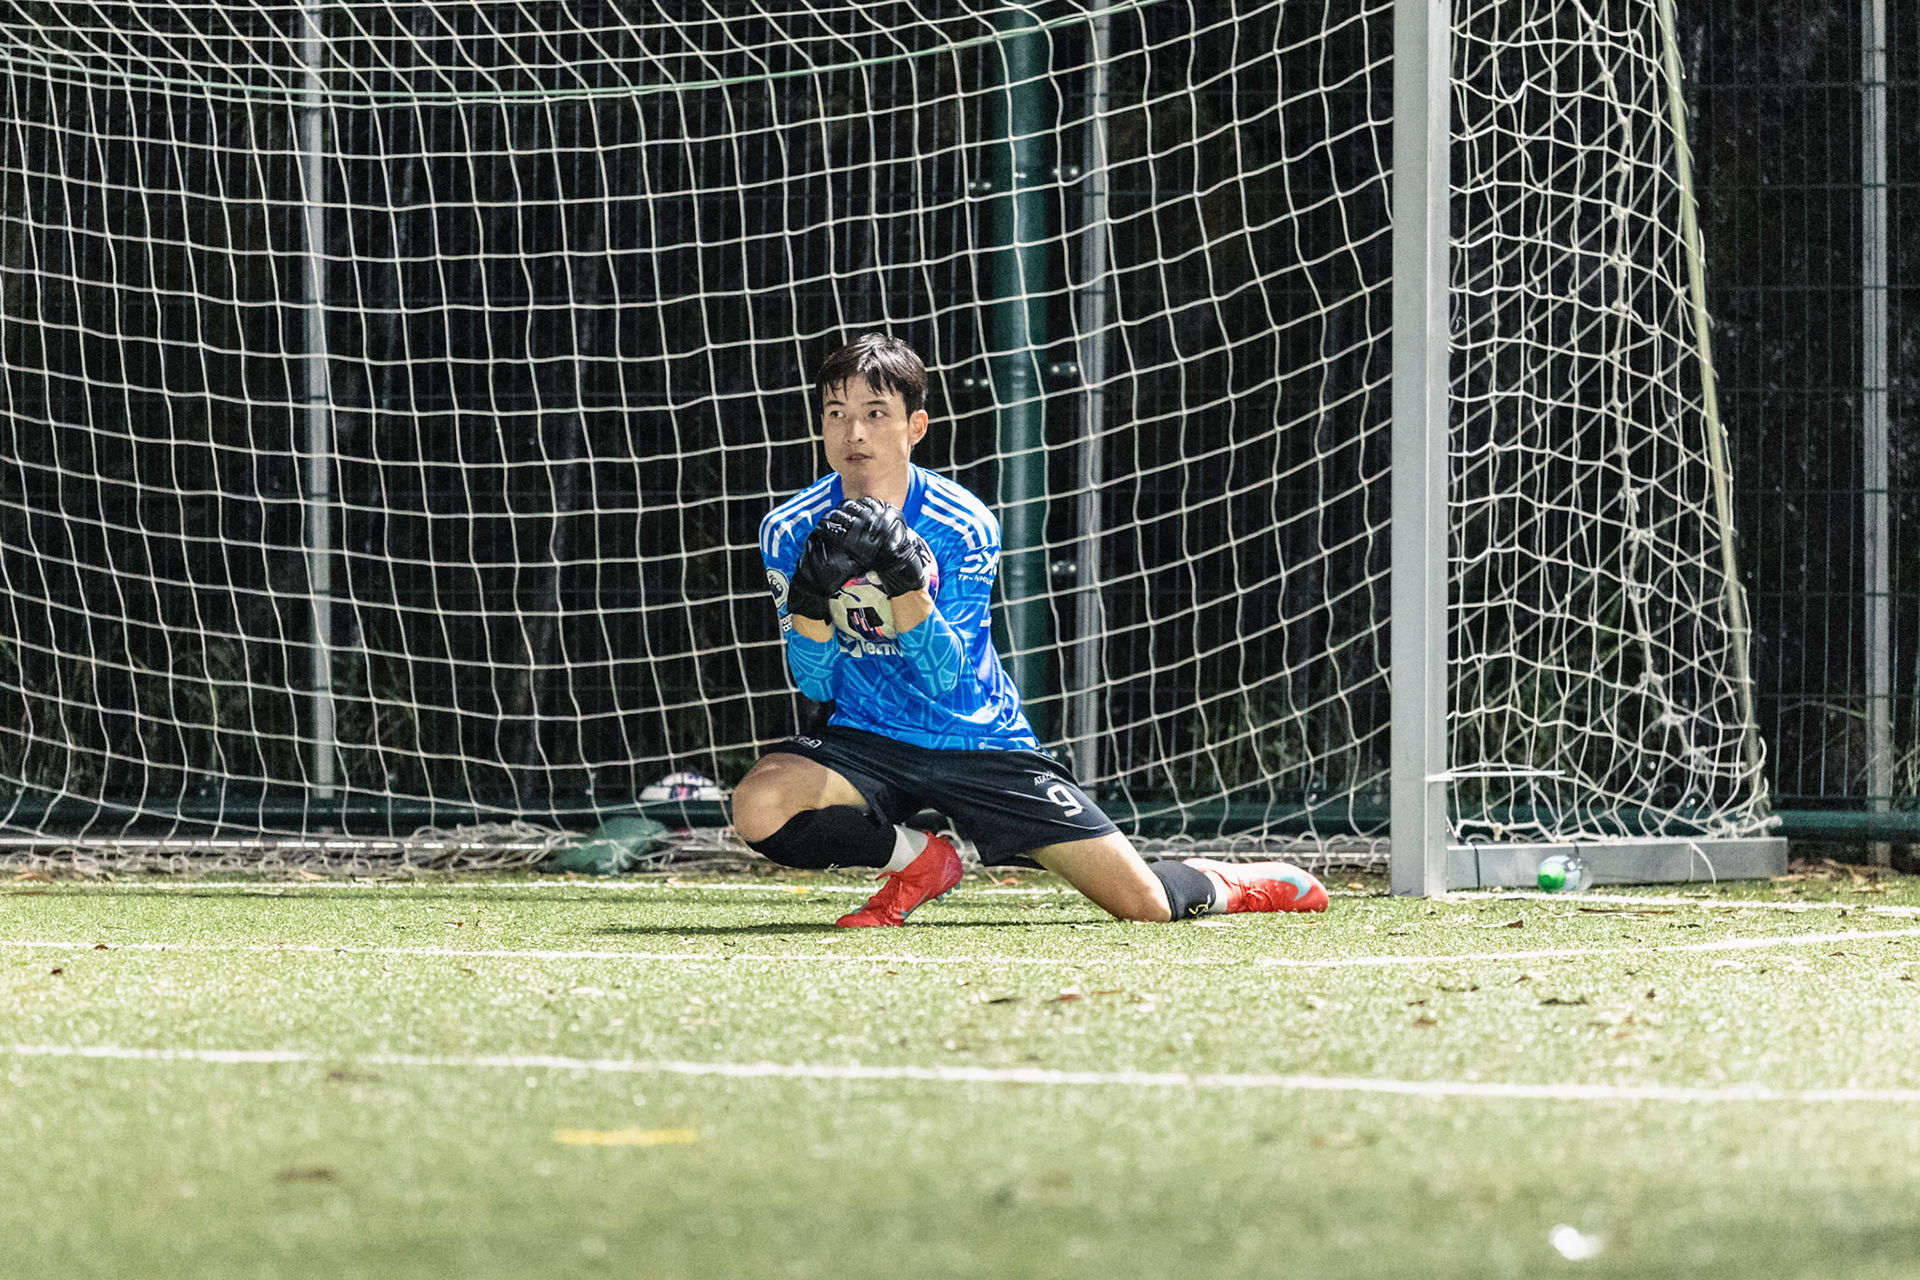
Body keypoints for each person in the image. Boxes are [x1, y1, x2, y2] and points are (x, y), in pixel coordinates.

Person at [733, 333, 1329, 927]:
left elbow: (945, 677)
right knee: (759, 804)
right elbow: (814, 684)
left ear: (915, 426)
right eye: (836, 415)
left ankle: (1224, 881)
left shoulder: (961, 523)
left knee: (1143, 907)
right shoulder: (790, 529)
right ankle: (920, 862)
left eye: (874, 414)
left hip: (977, 740)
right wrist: (810, 601)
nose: (853, 433)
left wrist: (903, 583)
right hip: (867, 737)